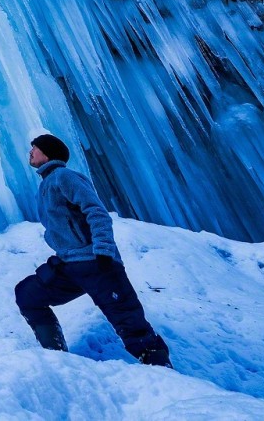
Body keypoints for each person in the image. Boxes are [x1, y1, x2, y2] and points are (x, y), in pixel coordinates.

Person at [14, 133, 172, 367]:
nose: (30, 152)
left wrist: (104, 251)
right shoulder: (47, 184)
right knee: (28, 294)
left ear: (47, 153)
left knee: (128, 320)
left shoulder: (63, 177)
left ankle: (162, 370)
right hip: (70, 264)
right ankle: (56, 357)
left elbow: (95, 211)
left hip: (95, 261)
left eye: (34, 148)